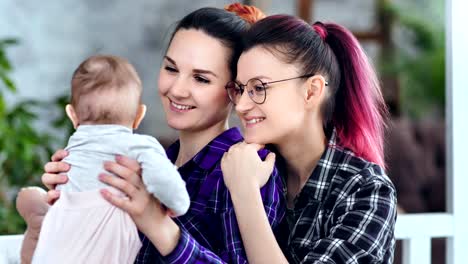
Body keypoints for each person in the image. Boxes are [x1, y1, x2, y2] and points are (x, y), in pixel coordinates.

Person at [38, 4, 284, 263]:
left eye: (201, 79)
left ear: (235, 91)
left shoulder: (249, 172)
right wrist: (76, 196)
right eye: (171, 68)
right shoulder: (149, 160)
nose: (177, 89)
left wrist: (159, 226)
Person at [221, 15, 397, 263]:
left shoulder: (365, 190)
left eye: (258, 88)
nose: (240, 105)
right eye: (239, 89)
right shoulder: (246, 164)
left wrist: (245, 194)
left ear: (311, 91)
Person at [16, 55, 190, 263]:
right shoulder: (139, 145)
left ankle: (41, 221)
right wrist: (176, 205)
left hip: (61, 227)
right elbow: (164, 179)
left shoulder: (73, 146)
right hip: (104, 236)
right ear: (139, 116)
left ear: (72, 115)